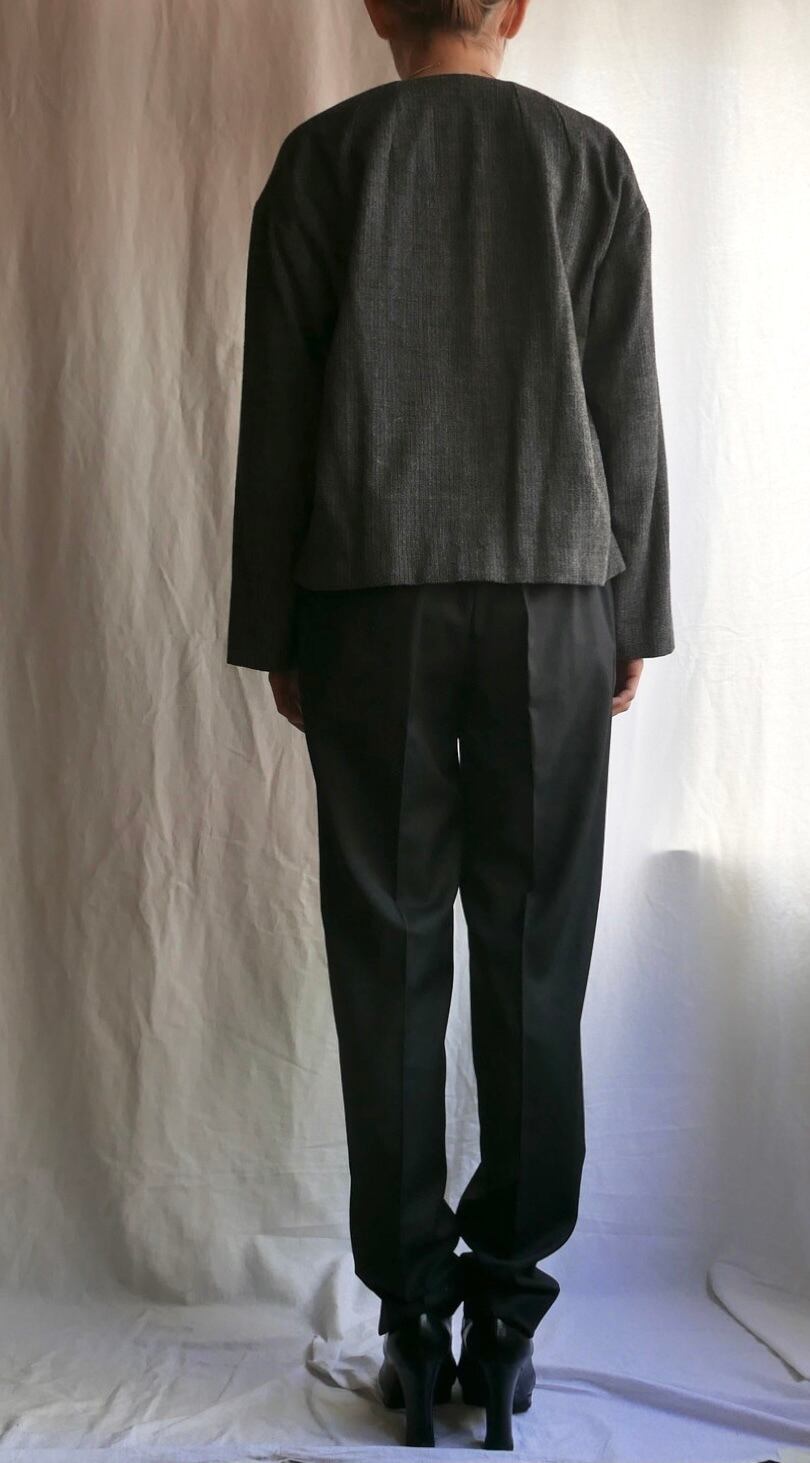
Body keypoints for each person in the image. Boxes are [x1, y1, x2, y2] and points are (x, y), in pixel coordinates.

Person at [226, 0, 674, 1447]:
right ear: (517, 8)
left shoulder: (323, 160)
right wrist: (630, 612)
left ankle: (414, 1320)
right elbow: (626, 405)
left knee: (389, 951)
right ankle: (509, 1315)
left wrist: (275, 625)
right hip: (554, 592)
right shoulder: (586, 161)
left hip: (369, 599)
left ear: (375, 7)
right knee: (536, 951)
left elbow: (279, 414)